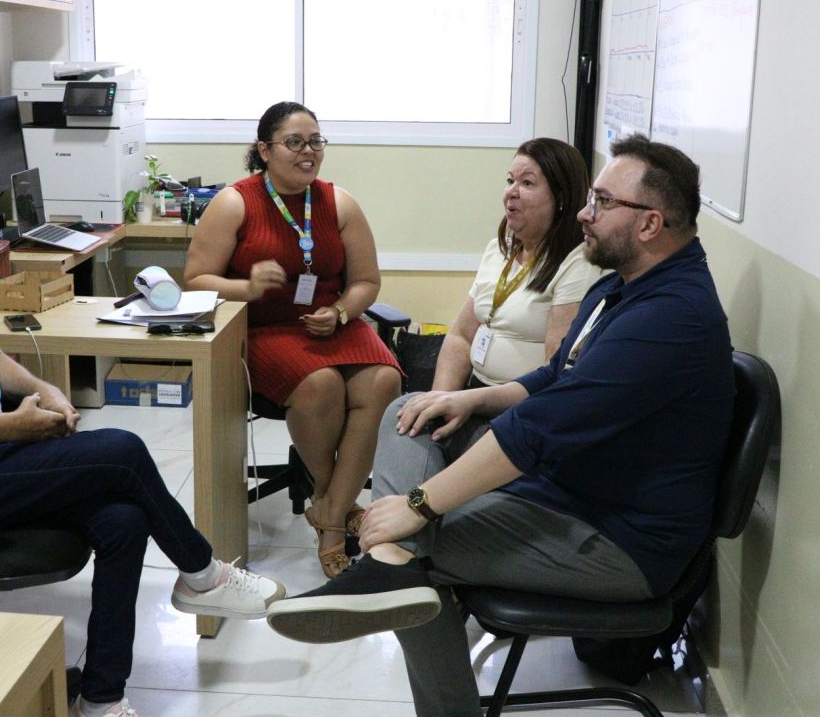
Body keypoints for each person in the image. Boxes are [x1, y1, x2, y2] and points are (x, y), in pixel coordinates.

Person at [266, 135, 735, 717]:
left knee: (414, 552)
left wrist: (419, 502)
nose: (586, 213)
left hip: (618, 541)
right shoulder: (628, 285)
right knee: (407, 413)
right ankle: (392, 567)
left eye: (602, 202)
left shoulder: (670, 317)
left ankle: (396, 579)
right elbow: (560, 377)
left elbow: (540, 430)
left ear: (649, 224)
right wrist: (473, 401)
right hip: (570, 493)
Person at [0, 112, 285, 717]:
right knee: (121, 450)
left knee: (123, 519)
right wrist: (10, 427)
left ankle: (102, 698)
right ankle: (203, 575)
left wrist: (45, 391)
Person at [184, 101, 401, 579]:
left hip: (332, 322)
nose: (308, 152)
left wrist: (342, 310)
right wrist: (246, 287)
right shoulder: (235, 202)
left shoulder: (338, 201)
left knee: (384, 380)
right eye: (295, 142)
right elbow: (195, 279)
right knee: (320, 384)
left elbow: (366, 280)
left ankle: (327, 508)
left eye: (316, 141)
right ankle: (334, 510)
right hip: (263, 328)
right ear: (265, 150)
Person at [432, 137, 603, 391]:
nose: (512, 191)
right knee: (401, 415)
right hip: (473, 391)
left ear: (561, 198)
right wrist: (438, 400)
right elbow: (461, 337)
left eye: (527, 183)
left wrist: (468, 404)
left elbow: (553, 369)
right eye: (510, 180)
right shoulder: (498, 250)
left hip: (519, 407)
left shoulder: (578, 263)